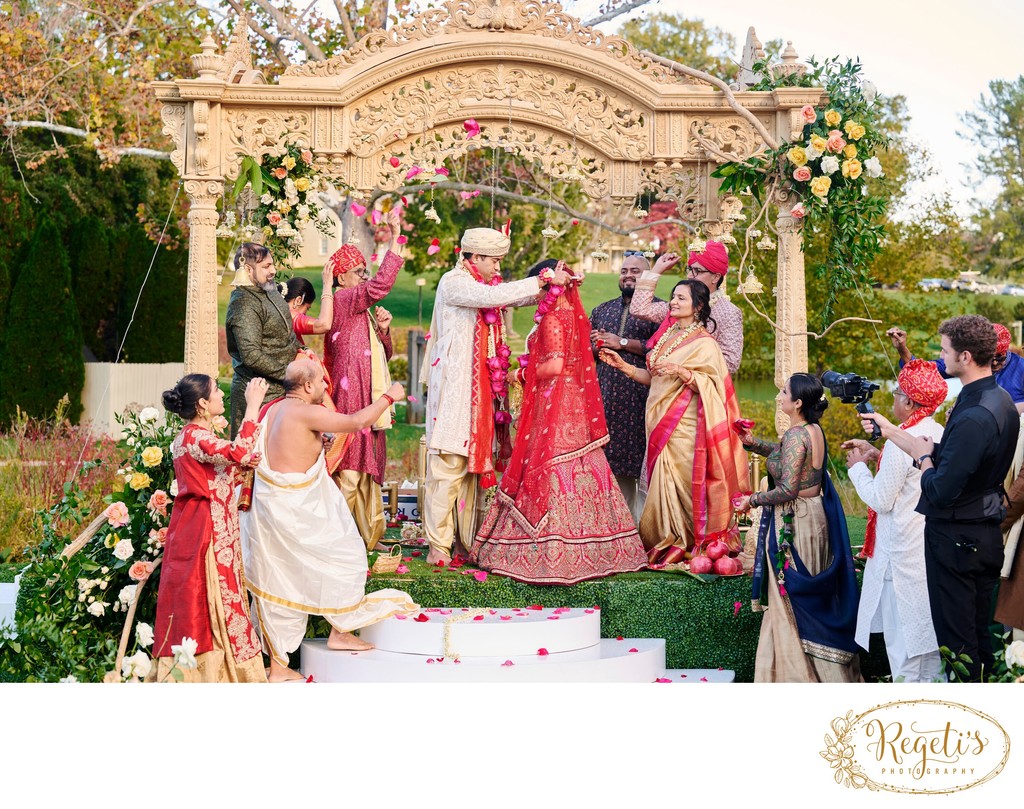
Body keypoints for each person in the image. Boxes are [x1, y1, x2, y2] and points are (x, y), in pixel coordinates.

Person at [470, 262, 648, 584]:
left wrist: (517, 375)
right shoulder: (571, 315)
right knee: (582, 467)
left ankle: (547, 551)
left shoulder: (552, 318)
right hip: (573, 404)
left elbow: (553, 366)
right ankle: (604, 548)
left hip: (555, 404)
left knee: (547, 467)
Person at [864, 315, 1020, 681]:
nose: (940, 355)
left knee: (959, 646)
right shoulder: (999, 401)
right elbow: (943, 450)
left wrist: (923, 460)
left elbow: (938, 487)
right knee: (979, 638)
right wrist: (890, 431)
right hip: (982, 532)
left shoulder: (974, 416)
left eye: (944, 349)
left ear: (965, 356)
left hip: (957, 541)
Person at [240, 359, 417, 682]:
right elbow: (355, 421)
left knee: (278, 580)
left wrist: (315, 445)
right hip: (299, 512)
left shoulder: (272, 410)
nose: (325, 387)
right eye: (322, 382)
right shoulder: (306, 411)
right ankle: (333, 633)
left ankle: (285, 661)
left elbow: (281, 450)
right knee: (347, 556)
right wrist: (389, 396)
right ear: (307, 386)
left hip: (273, 512)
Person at [421, 225, 571, 565]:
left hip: (479, 396)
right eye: (495, 261)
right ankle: (438, 546)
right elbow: (492, 298)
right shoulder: (454, 282)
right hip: (457, 395)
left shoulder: (483, 285)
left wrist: (550, 286)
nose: (499, 269)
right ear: (474, 257)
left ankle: (465, 542)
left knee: (473, 473)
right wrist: (542, 282)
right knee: (448, 468)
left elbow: (504, 294)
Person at [599, 279, 748, 565]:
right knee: (662, 485)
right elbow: (655, 377)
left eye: (681, 298)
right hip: (658, 424)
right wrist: (625, 366)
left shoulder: (705, 343)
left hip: (684, 427)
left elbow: (715, 385)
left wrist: (683, 372)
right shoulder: (667, 335)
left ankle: (692, 542)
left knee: (683, 484)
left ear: (698, 306)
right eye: (673, 297)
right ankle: (665, 540)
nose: (673, 302)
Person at [735, 374, 861, 682]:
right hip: (814, 516)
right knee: (812, 595)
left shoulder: (795, 435)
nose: (779, 397)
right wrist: (754, 444)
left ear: (798, 402)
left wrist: (751, 500)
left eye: (784, 392)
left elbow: (788, 489)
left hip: (796, 519)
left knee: (789, 596)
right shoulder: (812, 430)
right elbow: (789, 461)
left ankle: (797, 677)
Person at [152, 373, 268, 682]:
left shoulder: (190, 437)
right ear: (203, 404)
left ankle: (207, 673)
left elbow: (229, 466)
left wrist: (242, 465)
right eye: (216, 391)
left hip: (199, 526)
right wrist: (253, 406)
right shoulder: (196, 437)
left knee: (200, 599)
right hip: (207, 529)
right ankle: (219, 675)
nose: (221, 394)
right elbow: (240, 452)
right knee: (210, 598)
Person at [842, 360, 947, 682]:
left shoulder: (900, 440)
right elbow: (912, 473)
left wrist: (858, 467)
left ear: (910, 402)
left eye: (898, 392)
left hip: (899, 556)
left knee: (903, 648)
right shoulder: (936, 431)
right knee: (928, 642)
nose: (892, 398)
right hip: (927, 550)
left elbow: (880, 500)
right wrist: (876, 456)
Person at [324, 211, 404, 549]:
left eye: (364, 271)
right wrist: (395, 241)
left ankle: (370, 536)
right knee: (352, 463)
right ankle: (345, 538)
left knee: (367, 462)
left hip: (366, 395)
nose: (364, 277)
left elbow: (381, 356)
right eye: (359, 272)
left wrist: (384, 331)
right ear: (341, 279)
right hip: (350, 394)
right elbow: (381, 286)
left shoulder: (360, 309)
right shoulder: (343, 299)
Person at [589, 251, 662, 522]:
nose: (628, 275)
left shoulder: (659, 312)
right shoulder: (602, 310)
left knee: (641, 466)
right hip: (606, 397)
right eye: (624, 271)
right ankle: (611, 527)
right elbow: (587, 353)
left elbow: (656, 348)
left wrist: (620, 341)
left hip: (641, 397)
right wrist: (595, 344)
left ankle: (641, 529)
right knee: (607, 465)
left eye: (636, 271)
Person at [629, 240, 744, 375]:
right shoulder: (679, 305)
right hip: (664, 387)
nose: (690, 276)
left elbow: (730, 363)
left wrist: (681, 369)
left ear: (715, 277)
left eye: (697, 271)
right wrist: (657, 270)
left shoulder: (728, 312)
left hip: (698, 391)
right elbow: (638, 309)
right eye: (690, 269)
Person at [225, 243, 301, 436]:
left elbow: (287, 333)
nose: (273, 271)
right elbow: (251, 356)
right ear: (248, 270)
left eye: (272, 265)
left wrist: (302, 350)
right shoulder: (243, 303)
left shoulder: (269, 290)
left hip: (285, 390)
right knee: (254, 458)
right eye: (266, 266)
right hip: (258, 395)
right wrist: (291, 376)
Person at [887, 322, 1024, 411]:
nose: (942, 356)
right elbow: (922, 372)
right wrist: (902, 348)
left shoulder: (1020, 368)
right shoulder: (965, 362)